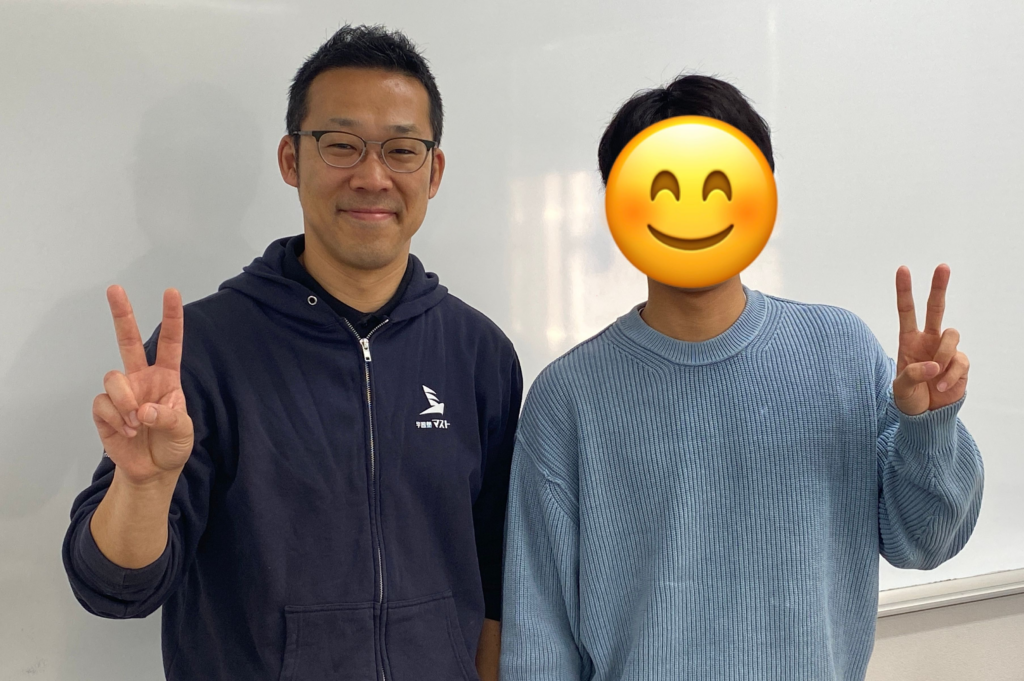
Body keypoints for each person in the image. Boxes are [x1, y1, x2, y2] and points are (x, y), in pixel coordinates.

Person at [62, 24, 521, 681]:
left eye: (400, 150)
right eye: (340, 145)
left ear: (434, 171)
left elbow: (497, 581)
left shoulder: (480, 354)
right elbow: (114, 585)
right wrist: (142, 486)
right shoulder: (202, 352)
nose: (372, 176)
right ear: (291, 159)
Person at [499, 75, 983, 681]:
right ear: (620, 207)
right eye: (661, 188)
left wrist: (927, 425)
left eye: (720, 185)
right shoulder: (567, 398)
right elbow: (537, 638)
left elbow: (926, 542)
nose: (692, 210)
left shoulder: (841, 352)